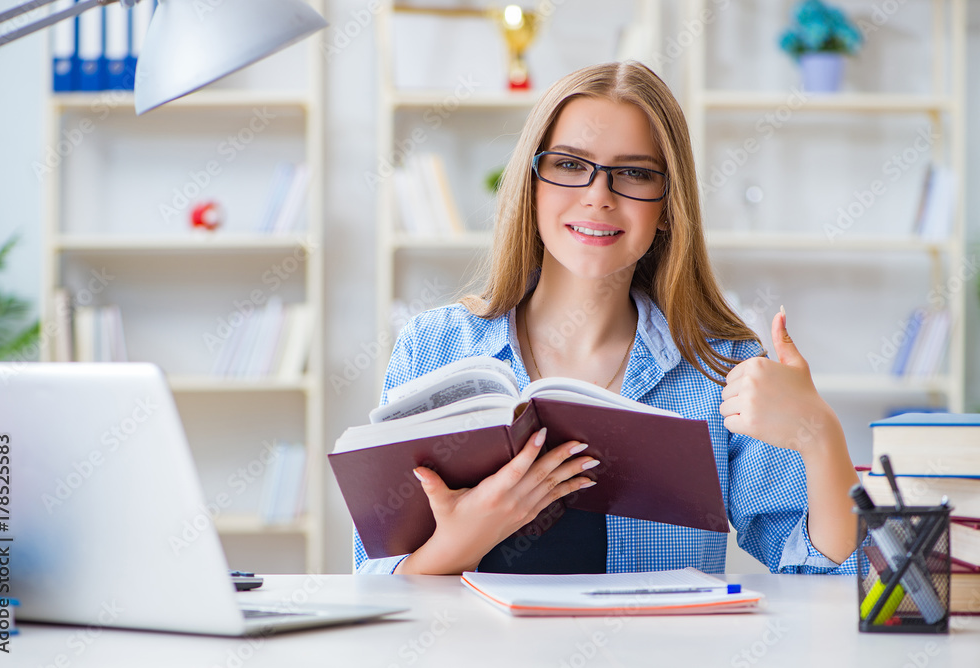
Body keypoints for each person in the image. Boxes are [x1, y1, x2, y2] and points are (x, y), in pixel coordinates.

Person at [355, 61, 860, 576]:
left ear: (667, 206)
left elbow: (823, 575)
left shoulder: (720, 366)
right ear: (531, 186)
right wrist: (464, 539)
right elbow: (375, 581)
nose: (599, 195)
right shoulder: (433, 346)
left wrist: (820, 433)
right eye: (570, 165)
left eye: (635, 173)